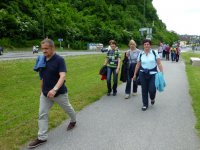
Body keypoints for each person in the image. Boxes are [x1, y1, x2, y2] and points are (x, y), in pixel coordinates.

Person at [28, 39, 76, 148]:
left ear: (52, 48)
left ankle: (73, 120)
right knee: (42, 114)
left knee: (68, 109)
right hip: (45, 94)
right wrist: (42, 90)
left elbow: (62, 76)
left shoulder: (59, 60)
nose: (44, 51)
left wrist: (54, 89)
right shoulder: (42, 59)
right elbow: (42, 77)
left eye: (46, 49)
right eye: (42, 49)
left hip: (59, 93)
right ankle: (42, 137)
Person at [133, 39, 163, 111]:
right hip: (143, 73)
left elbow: (159, 63)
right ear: (143, 46)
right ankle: (145, 104)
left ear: (150, 45)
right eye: (145, 44)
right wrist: (134, 74)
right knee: (144, 89)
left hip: (153, 74)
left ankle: (152, 98)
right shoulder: (141, 54)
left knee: (152, 90)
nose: (146, 45)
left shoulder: (154, 52)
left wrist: (161, 72)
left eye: (148, 44)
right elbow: (138, 65)